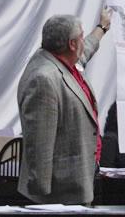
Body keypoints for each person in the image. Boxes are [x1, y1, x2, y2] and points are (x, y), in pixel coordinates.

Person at [17, 10, 111, 205]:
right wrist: (43, 199)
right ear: (72, 44)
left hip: (76, 185)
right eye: (82, 36)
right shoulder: (43, 78)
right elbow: (39, 142)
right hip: (59, 194)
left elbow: (86, 50)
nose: (84, 41)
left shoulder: (63, 61)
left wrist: (102, 28)